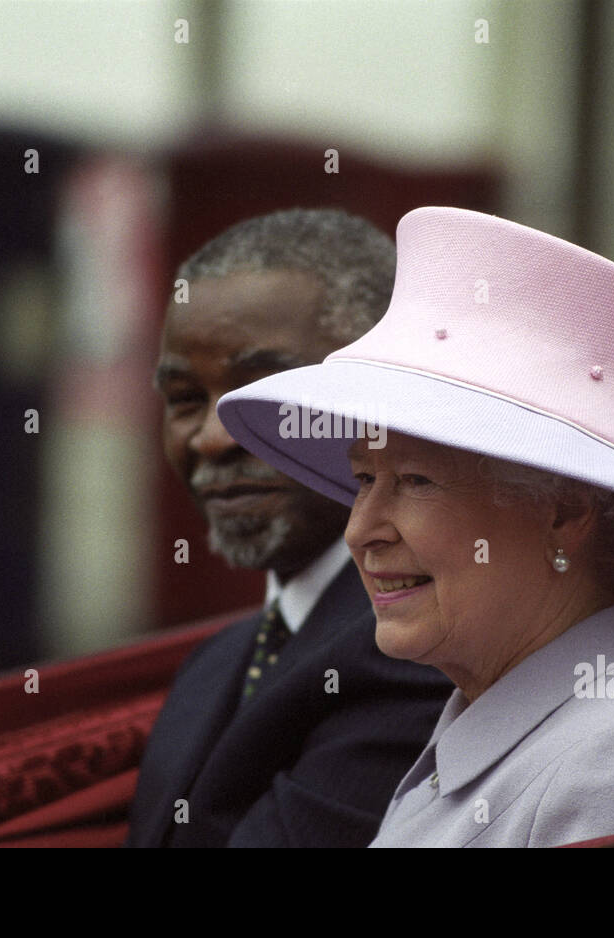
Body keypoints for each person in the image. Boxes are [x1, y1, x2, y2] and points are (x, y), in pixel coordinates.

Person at [218, 206, 614, 847]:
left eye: (417, 482)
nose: (360, 530)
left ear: (562, 513)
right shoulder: (503, 714)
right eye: (365, 480)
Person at [126, 208, 454, 847]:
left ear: (384, 393)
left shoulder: (421, 651)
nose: (214, 437)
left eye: (265, 392)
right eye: (187, 400)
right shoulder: (216, 662)